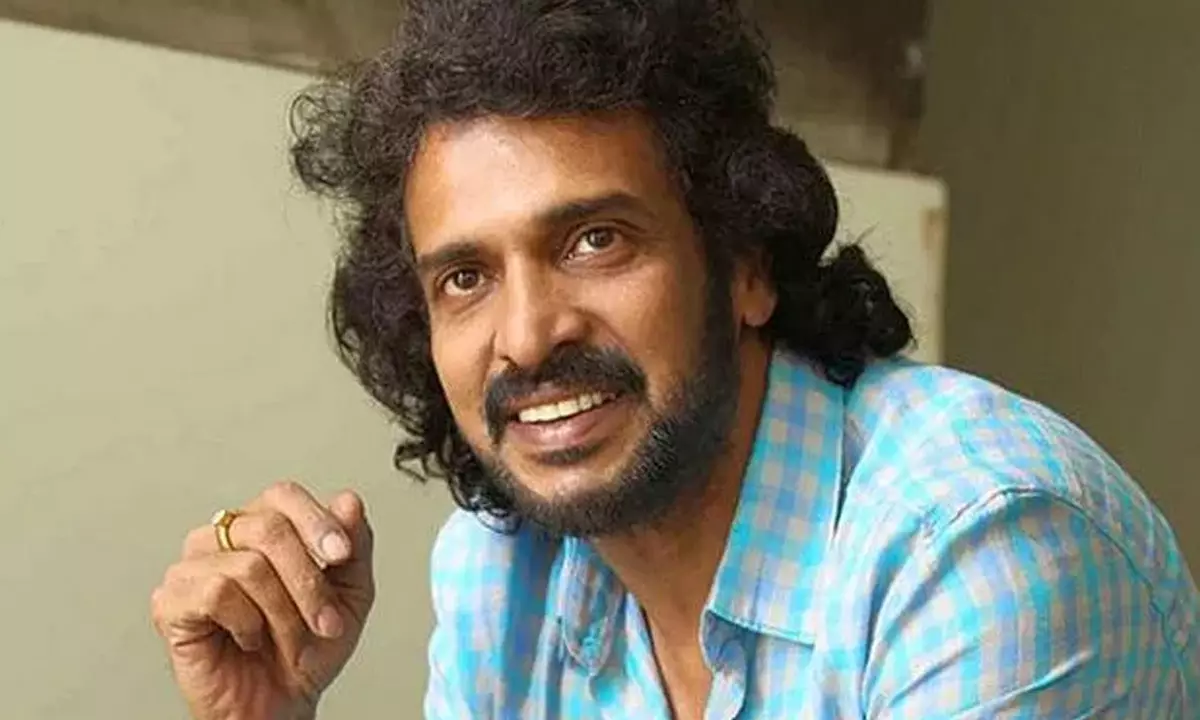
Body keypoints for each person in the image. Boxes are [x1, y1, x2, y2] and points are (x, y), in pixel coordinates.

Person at [149, 0, 1199, 718]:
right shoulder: (503, 574)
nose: (528, 335)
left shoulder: (973, 549)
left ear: (746, 262)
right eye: (465, 277)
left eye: (594, 240)